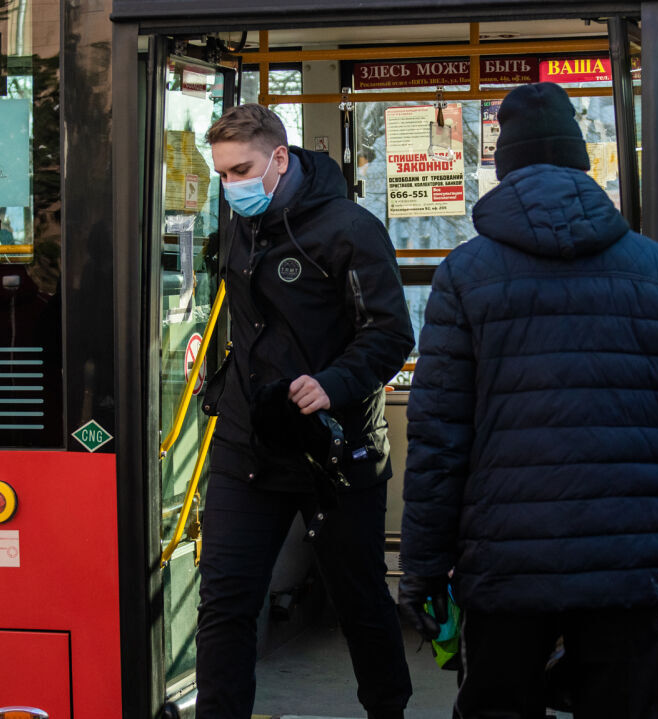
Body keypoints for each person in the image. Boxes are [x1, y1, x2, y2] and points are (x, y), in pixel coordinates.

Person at [397, 82, 658, 719]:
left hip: (502, 564)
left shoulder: (465, 275)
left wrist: (424, 570)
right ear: (583, 163)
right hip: (626, 561)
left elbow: (439, 439)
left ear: (504, 167)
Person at [196, 104, 415, 719]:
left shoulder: (350, 228)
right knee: (225, 601)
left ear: (281, 159)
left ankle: (387, 711)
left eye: (242, 169)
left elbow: (391, 333)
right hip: (249, 442)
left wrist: (333, 383)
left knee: (362, 602)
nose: (231, 185)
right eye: (222, 173)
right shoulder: (240, 223)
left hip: (335, 448)